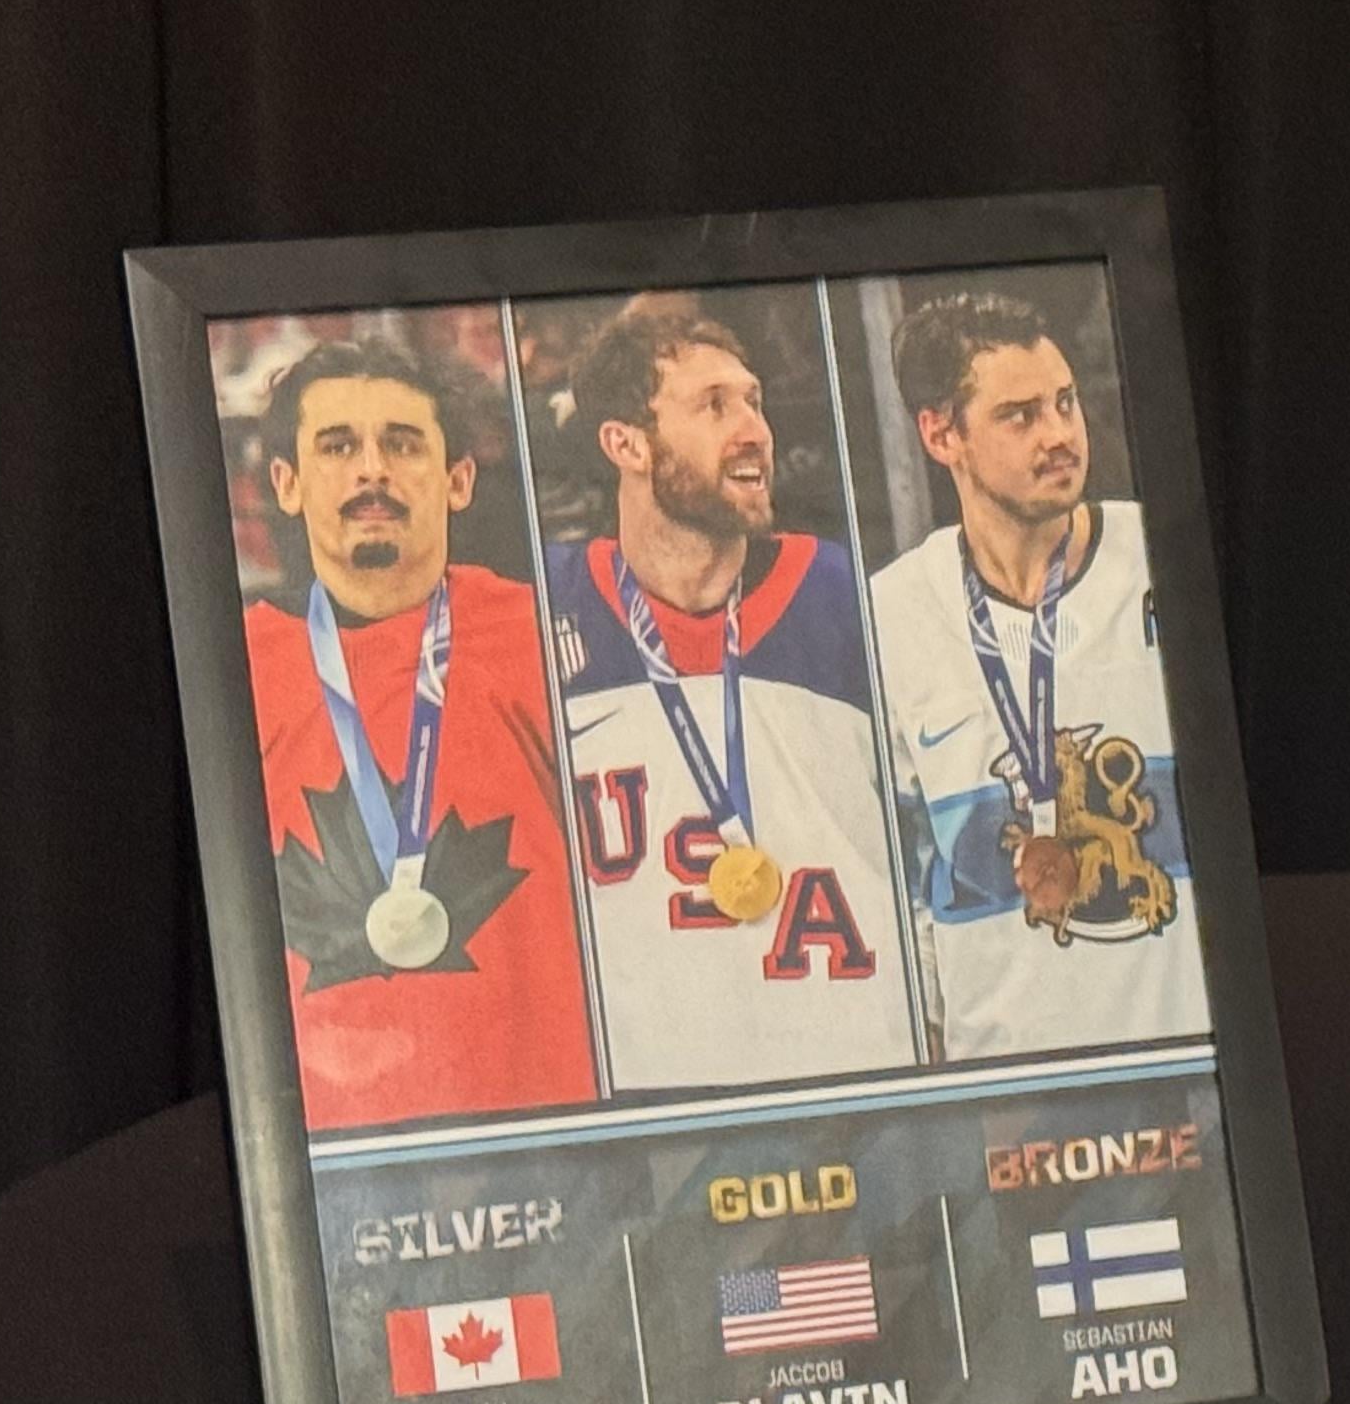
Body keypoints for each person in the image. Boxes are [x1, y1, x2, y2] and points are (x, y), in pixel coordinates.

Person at [544, 297, 914, 1087]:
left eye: (754, 401)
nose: (754, 430)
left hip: (859, 1076)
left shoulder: (847, 597)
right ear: (625, 443)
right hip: (655, 1102)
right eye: (714, 406)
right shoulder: (543, 614)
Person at [240, 335, 596, 1127]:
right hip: (332, 1146)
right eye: (339, 447)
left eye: (403, 445)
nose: (373, 470)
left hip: (549, 1131)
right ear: (288, 484)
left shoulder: (547, 635)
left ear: (458, 480)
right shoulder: (235, 672)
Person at [868, 289, 1209, 1057]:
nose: (1059, 435)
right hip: (1008, 1080)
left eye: (1064, 402)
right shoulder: (889, 614)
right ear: (940, 434)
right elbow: (896, 872)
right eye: (1019, 416)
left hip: (1186, 1058)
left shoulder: (1165, 562)